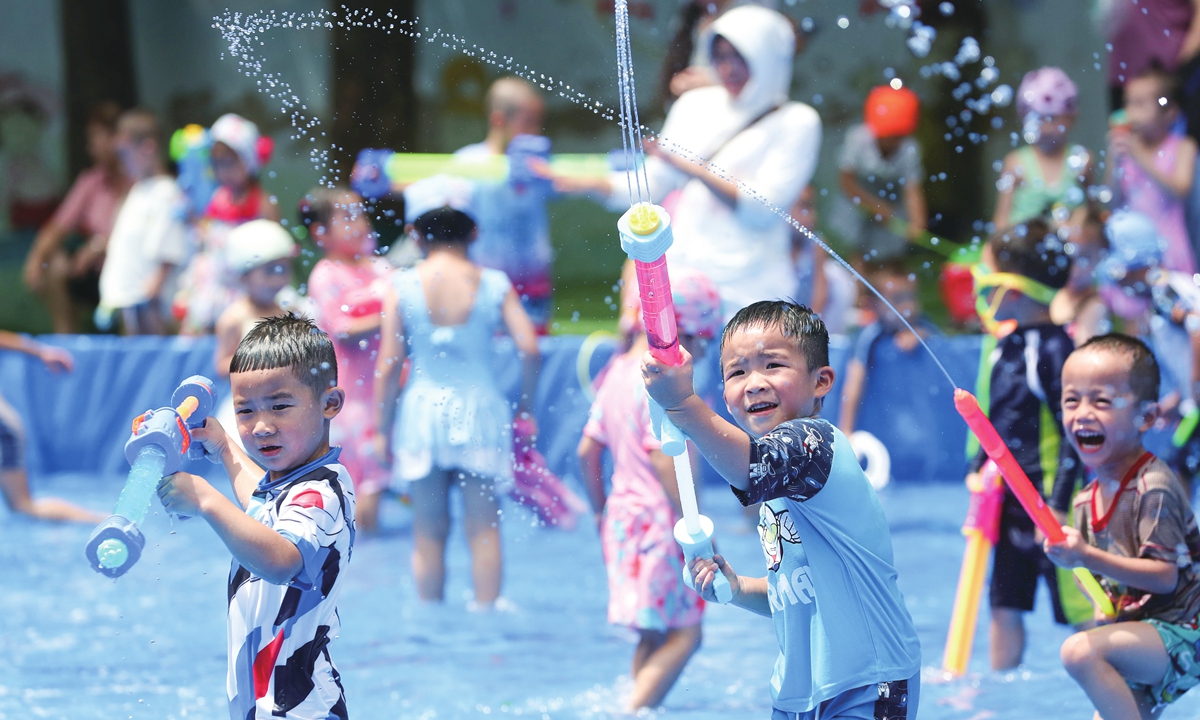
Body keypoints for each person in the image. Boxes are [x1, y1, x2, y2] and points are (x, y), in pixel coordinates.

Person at [642, 301, 921, 719]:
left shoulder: (814, 443)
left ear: (821, 381)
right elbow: (790, 595)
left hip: (867, 682)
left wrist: (682, 402)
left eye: (773, 365)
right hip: (799, 695)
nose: (754, 383)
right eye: (737, 372)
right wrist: (736, 589)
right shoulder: (780, 486)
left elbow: (750, 467)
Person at [566, 5, 821, 320]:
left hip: (754, 288)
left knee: (747, 367)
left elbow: (762, 210)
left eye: (741, 56)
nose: (728, 68)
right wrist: (587, 184)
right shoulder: (694, 106)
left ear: (768, 57)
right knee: (672, 368)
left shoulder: (798, 122)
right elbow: (654, 183)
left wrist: (688, 165)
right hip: (682, 278)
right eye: (721, 56)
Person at [157, 314, 354, 719]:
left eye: (280, 406)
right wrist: (224, 447)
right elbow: (263, 506)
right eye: (245, 411)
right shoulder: (294, 483)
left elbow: (280, 561)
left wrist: (205, 500)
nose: (261, 426)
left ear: (329, 403)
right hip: (268, 702)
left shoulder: (321, 492)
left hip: (298, 707)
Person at [373, 176, 541, 609]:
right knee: (483, 528)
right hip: (481, 411)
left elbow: (389, 366)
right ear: (474, 231)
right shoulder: (494, 283)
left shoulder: (402, 285)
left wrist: (380, 429)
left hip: (422, 412)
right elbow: (529, 347)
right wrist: (524, 407)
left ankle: (430, 616)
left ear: (414, 232)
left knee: (428, 530)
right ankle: (487, 614)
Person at [576, 267, 721, 711]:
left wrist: (601, 511)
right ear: (684, 333)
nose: (698, 355)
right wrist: (695, 528)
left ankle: (635, 701)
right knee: (687, 633)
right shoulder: (662, 383)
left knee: (652, 630)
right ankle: (634, 711)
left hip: (622, 520)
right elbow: (663, 458)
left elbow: (586, 451)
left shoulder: (617, 370)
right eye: (699, 344)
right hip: (662, 526)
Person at [1046, 333, 1200, 718]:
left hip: (1188, 629)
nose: (1082, 412)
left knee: (1080, 651)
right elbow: (1110, 593)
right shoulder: (1084, 503)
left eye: (1101, 400)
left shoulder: (1154, 485)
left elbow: (1163, 577)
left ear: (1146, 417)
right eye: (1071, 399)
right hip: (1152, 634)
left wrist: (1085, 555)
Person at [968, 218, 1085, 669]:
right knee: (1004, 604)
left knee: (1081, 607)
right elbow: (994, 420)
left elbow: (1075, 433)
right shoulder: (1004, 346)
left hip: (1053, 501)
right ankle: (1003, 692)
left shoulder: (1054, 349)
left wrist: (1057, 505)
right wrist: (978, 468)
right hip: (1008, 502)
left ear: (1010, 290)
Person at [303, 187, 393, 533]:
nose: (360, 223)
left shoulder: (381, 268)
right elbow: (342, 329)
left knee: (379, 478)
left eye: (361, 214)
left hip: (385, 393)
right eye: (348, 216)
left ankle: (369, 546)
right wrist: (392, 317)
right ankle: (359, 552)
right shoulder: (326, 274)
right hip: (350, 398)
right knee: (360, 482)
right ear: (320, 233)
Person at [1100, 210, 1200, 488]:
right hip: (1194, 405)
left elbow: (1197, 327)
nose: (1118, 282)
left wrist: (1195, 387)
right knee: (1181, 465)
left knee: (1176, 467)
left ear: (1136, 264)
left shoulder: (1164, 292)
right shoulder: (1169, 288)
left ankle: (1175, 530)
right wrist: (1179, 399)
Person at [453, 77, 556, 331]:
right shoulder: (468, 163)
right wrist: (385, 176)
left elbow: (576, 181)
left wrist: (612, 171)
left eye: (538, 122)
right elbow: (422, 187)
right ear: (499, 120)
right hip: (482, 286)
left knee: (534, 357)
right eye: (529, 122)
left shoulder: (539, 165)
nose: (536, 131)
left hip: (534, 287)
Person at [23, 101, 129, 333]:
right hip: (92, 275)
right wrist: (36, 259)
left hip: (129, 273)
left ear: (117, 138)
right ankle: (66, 343)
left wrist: (99, 247)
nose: (91, 148)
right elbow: (58, 226)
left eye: (96, 139)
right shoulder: (90, 181)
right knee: (54, 264)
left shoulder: (139, 182)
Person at [175, 113, 280, 334]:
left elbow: (274, 253)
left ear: (249, 160)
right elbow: (208, 239)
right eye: (218, 163)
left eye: (231, 162)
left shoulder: (263, 204)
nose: (224, 170)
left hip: (246, 291)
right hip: (212, 289)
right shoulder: (217, 198)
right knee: (196, 338)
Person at [96, 108, 189, 335]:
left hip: (150, 308)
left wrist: (149, 300)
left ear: (148, 147)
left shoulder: (166, 192)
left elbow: (167, 255)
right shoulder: (138, 190)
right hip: (129, 304)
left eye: (124, 154)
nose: (121, 163)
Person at [0, 331, 101, 522]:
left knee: (23, 506)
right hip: (6, 425)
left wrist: (40, 351)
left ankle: (100, 521)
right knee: (23, 507)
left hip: (3, 428)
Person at [1110, 63, 1198, 276]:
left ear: (1170, 112)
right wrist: (1114, 161)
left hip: (1172, 252)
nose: (1130, 113)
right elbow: (1112, 202)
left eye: (1140, 104)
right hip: (1132, 254)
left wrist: (1139, 156)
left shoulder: (1183, 147)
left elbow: (1180, 191)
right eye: (1128, 103)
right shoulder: (1126, 152)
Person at [838, 261, 936, 437]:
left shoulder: (922, 325)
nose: (908, 307)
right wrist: (846, 430)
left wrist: (921, 334)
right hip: (884, 422)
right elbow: (854, 380)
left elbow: (948, 351)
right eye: (897, 299)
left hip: (921, 423)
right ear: (871, 305)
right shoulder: (870, 335)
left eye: (911, 297)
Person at [831, 84, 928, 263]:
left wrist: (918, 222)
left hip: (890, 205)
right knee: (857, 251)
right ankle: (858, 287)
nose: (892, 142)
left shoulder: (909, 149)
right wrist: (873, 205)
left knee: (890, 254)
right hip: (857, 203)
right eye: (888, 136)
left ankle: (884, 285)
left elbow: (912, 189)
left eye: (898, 137)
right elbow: (846, 182)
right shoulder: (858, 139)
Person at [993, 68, 1093, 230]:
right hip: (1023, 251)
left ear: (1071, 117)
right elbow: (1000, 223)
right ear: (1022, 118)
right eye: (1037, 119)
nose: (1045, 127)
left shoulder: (1082, 159)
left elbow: (1094, 216)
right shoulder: (1015, 163)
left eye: (1052, 118)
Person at [1049, 207, 1110, 346]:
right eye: (1069, 256)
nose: (1074, 268)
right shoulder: (1048, 296)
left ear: (1103, 255)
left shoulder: (1098, 305)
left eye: (1086, 257)